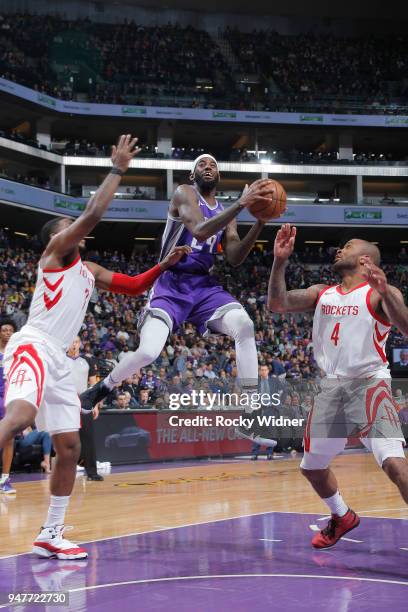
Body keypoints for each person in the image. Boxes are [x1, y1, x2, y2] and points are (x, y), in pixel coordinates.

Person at [0, 134, 189, 560]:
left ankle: (51, 532)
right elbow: (92, 213)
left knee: (71, 447)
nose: (74, 229)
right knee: (21, 415)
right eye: (67, 228)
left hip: (61, 360)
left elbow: (135, 286)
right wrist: (117, 168)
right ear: (58, 237)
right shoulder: (55, 255)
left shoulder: (90, 269)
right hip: (34, 344)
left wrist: (165, 264)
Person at [81, 154, 280, 445]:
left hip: (203, 287)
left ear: (219, 175)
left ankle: (250, 415)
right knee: (149, 351)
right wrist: (241, 203)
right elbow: (199, 229)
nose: (208, 167)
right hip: (171, 282)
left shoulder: (226, 210)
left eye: (213, 164)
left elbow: (235, 257)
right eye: (202, 164)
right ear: (192, 175)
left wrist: (260, 223)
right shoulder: (184, 193)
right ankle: (101, 388)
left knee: (245, 325)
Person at [268, 224, 408, 549]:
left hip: (368, 385)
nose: (338, 250)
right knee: (312, 467)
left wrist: (387, 293)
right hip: (330, 389)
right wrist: (279, 261)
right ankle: (342, 516)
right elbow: (277, 303)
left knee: (395, 465)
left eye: (346, 246)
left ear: (363, 260)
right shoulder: (322, 292)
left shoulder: (377, 294)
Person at [67, 336, 102, 481]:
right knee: (66, 436)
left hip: (84, 400)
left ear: (80, 343)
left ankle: (92, 473)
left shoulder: (87, 361)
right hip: (66, 401)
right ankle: (65, 471)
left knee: (88, 437)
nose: (74, 344)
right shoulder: (59, 360)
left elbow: (94, 385)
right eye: (71, 341)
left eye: (76, 341)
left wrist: (95, 404)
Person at [0, 319, 17, 494]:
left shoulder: (16, 353)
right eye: (4, 330)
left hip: (9, 398)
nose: (7, 333)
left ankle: (5, 478)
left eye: (10, 330)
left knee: (9, 438)